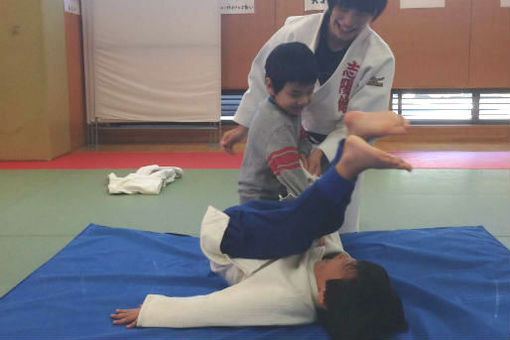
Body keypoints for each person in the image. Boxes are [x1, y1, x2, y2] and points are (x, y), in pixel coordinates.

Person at [111, 130, 411, 339]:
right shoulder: (329, 275)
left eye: (348, 265)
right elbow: (331, 243)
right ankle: (339, 168)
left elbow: (213, 309)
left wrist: (151, 313)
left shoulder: (283, 299)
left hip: (230, 239)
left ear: (324, 296)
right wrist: (325, 238)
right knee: (322, 225)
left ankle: (347, 166)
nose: (348, 257)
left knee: (312, 224)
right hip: (270, 231)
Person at [221, 0, 394, 233]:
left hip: (341, 150)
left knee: (336, 227)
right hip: (292, 136)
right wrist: (244, 124)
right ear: (331, 4)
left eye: (361, 13)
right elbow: (265, 74)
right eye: (343, 9)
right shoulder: (296, 31)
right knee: (286, 220)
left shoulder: (378, 57)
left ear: (374, 13)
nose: (349, 21)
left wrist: (325, 151)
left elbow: (365, 120)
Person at [238, 41, 318, 204]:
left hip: (276, 191)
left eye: (309, 92)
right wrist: (317, 201)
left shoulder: (287, 107)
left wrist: (303, 151)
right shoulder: (276, 125)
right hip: (259, 201)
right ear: (270, 86)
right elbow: (290, 174)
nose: (303, 100)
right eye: (295, 94)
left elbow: (300, 134)